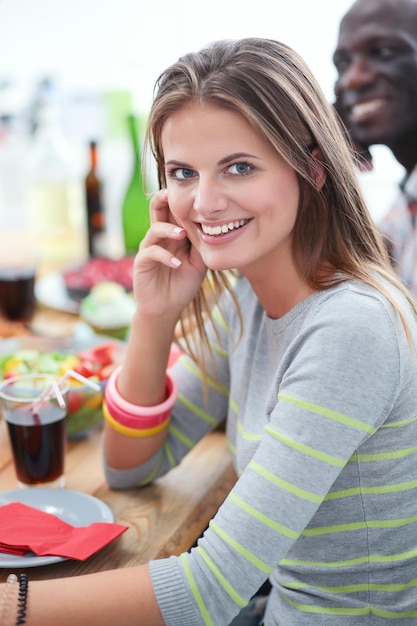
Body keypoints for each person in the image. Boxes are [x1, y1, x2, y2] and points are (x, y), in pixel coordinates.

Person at [2, 36, 417, 626]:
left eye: (239, 167)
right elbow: (131, 464)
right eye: (183, 173)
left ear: (314, 167)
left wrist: (8, 606)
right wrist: (154, 314)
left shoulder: (351, 329)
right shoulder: (246, 293)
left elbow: (209, 591)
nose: (205, 202)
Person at [333, 0, 417, 294]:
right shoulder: (405, 207)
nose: (353, 78)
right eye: (342, 65)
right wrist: (327, 161)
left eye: (383, 52)